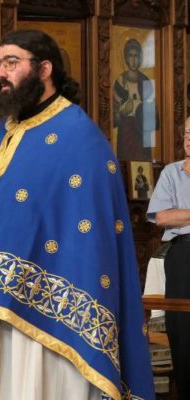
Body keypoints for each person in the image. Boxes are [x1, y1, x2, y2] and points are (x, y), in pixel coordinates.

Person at [0, 29, 155, 399]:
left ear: (44, 69)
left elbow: (87, 239)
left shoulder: (80, 139)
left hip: (35, 322)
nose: (1, 73)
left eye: (12, 62)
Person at [147, 116, 190, 399]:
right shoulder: (172, 173)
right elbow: (162, 217)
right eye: (186, 133)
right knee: (183, 332)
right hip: (183, 253)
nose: (189, 139)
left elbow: (174, 215)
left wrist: (182, 214)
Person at [113, 38, 158, 161]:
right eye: (130, 56)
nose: (133, 60)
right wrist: (122, 112)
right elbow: (113, 116)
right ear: (126, 58)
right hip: (126, 130)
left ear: (140, 58)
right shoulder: (120, 82)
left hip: (142, 131)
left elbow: (153, 114)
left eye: (136, 56)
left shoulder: (146, 81)